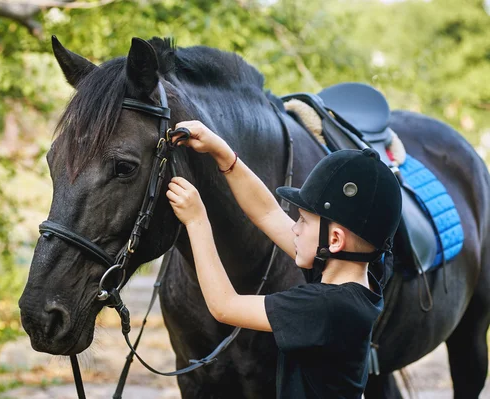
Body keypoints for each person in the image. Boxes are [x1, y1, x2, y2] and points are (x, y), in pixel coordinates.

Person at [165, 120, 403, 399]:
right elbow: (268, 214)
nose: (294, 227)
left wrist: (197, 222)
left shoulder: (324, 307)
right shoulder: (359, 275)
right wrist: (223, 154)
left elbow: (223, 305)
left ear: (335, 240)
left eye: (303, 220)